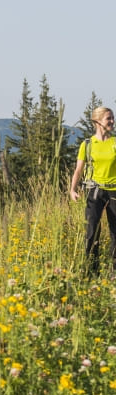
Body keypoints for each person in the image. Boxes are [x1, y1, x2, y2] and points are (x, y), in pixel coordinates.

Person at [69, 106, 116, 272]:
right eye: (108, 118)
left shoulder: (115, 142)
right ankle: (91, 271)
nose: (112, 121)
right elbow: (78, 170)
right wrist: (72, 189)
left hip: (114, 191)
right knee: (92, 231)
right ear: (97, 121)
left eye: (112, 118)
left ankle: (114, 273)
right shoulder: (88, 144)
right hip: (95, 191)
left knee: (115, 233)